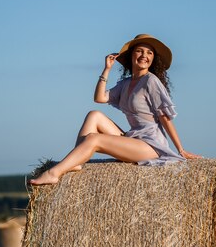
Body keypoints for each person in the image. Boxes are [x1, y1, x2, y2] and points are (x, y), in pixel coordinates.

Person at [29, 34, 201, 185]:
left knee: (94, 139)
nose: (144, 56)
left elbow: (164, 117)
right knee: (94, 115)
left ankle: (54, 173)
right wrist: (107, 69)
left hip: (150, 146)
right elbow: (99, 98)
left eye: (149, 53)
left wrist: (180, 149)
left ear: (153, 59)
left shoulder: (151, 81)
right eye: (140, 51)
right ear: (131, 55)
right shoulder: (126, 84)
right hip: (133, 138)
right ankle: (76, 161)